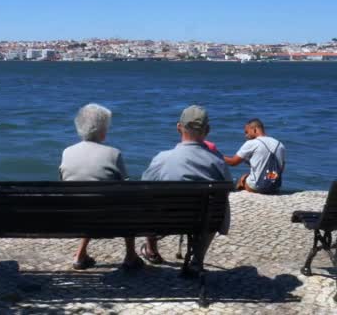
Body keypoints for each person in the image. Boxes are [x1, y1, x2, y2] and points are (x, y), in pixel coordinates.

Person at [141, 105, 232, 265]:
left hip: (166, 220)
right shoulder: (217, 161)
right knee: (215, 206)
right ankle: (197, 259)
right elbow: (228, 188)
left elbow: (144, 188)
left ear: (179, 128)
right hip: (205, 221)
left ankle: (151, 249)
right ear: (207, 130)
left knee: (150, 200)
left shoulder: (162, 159)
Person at [59, 103, 143, 271]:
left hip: (75, 215)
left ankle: (80, 254)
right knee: (127, 204)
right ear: (103, 132)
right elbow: (126, 188)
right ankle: (130, 255)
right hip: (106, 216)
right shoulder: (113, 153)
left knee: (88, 199)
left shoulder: (67, 152)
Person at [224, 118, 286, 194]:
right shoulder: (280, 145)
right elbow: (281, 168)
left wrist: (217, 155)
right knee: (252, 176)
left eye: (247, 132)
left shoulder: (252, 143)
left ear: (254, 130)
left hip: (257, 187)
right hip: (275, 187)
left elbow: (233, 162)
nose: (246, 136)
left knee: (241, 179)